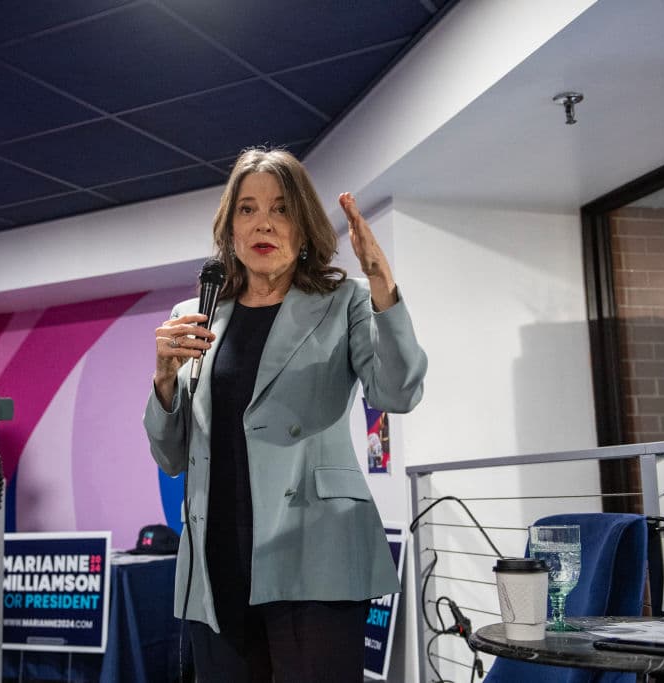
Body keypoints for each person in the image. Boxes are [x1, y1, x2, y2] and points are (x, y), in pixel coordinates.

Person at [143, 147, 427, 682]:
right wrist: (162, 380)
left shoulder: (346, 300)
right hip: (216, 560)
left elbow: (398, 391)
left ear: (305, 225)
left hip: (315, 551)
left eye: (281, 208)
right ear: (230, 228)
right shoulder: (194, 316)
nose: (263, 223)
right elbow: (172, 456)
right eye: (247, 209)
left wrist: (383, 286)